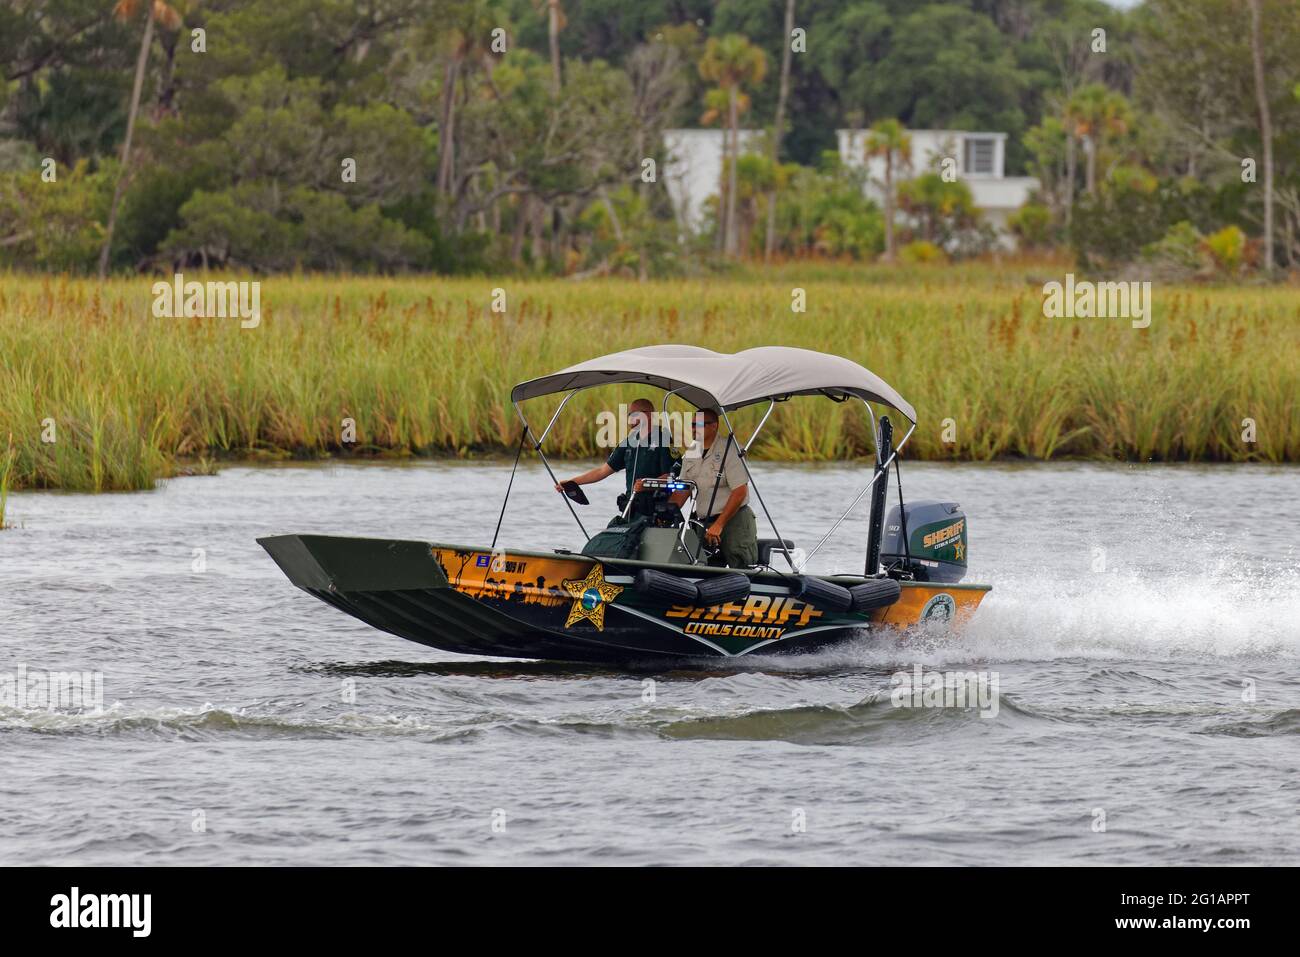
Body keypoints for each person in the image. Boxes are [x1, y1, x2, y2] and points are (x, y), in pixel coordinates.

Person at [555, 398, 677, 516]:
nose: (631, 419)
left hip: (655, 509)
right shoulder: (628, 442)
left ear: (649, 415)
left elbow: (671, 477)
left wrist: (646, 485)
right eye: (630, 415)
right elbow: (601, 471)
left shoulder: (664, 440)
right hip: (631, 507)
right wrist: (571, 483)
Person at [673, 408, 758, 568]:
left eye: (699, 425)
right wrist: (667, 511)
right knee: (702, 568)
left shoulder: (730, 449)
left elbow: (740, 492)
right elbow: (684, 488)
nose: (693, 429)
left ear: (714, 426)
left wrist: (719, 524)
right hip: (703, 523)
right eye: (691, 424)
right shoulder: (691, 451)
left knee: (741, 568)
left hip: (734, 521)